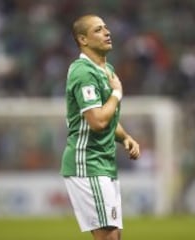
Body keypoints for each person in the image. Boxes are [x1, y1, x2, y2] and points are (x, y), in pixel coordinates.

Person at [60, 14, 141, 240]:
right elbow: (97, 122)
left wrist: (125, 137)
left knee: (114, 236)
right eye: (98, 29)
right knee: (109, 237)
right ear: (83, 40)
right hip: (87, 162)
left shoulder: (107, 69)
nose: (107, 32)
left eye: (106, 27)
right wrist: (117, 93)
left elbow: (108, 119)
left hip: (104, 163)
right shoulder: (83, 72)